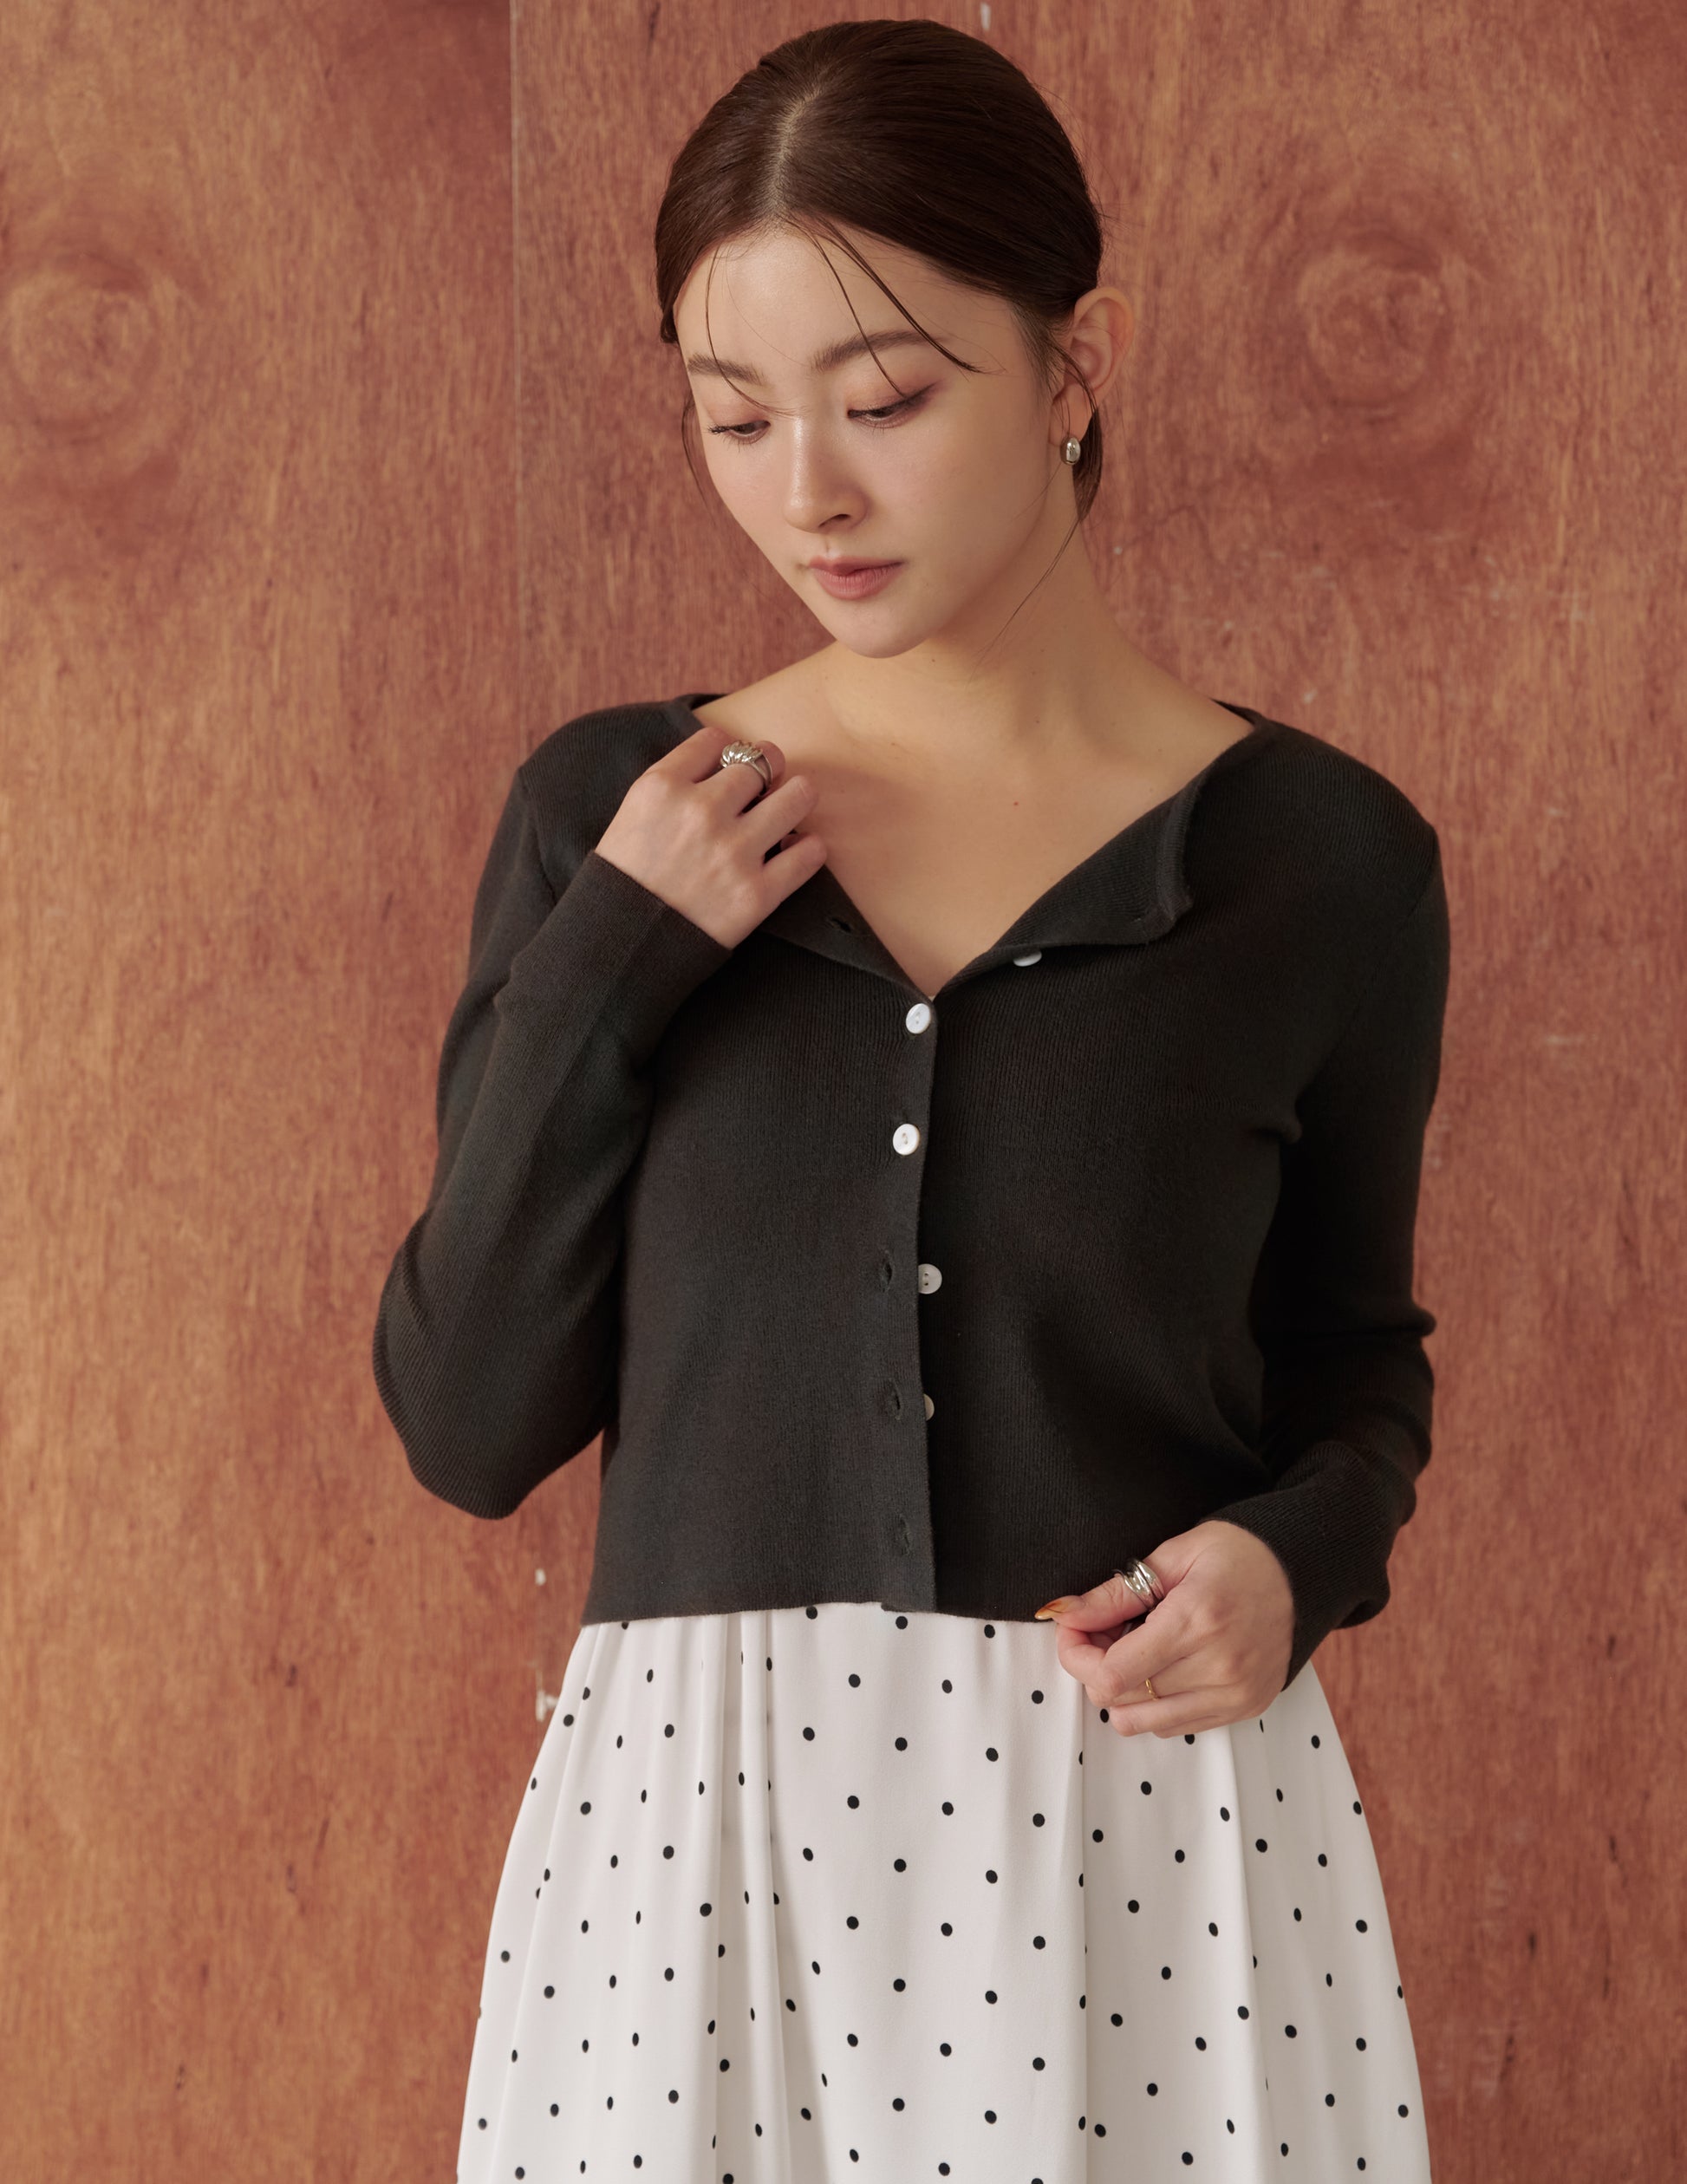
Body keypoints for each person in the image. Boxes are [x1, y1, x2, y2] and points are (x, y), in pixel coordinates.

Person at [372, 20, 1449, 2182]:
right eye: (734, 415)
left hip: (1145, 1863)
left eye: (882, 402)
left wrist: (1294, 1560)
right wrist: (617, 950)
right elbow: (468, 1420)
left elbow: (1354, 1365)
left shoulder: (1322, 861)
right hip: (698, 1868)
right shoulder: (613, 817)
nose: (807, 493)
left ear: (1074, 365)